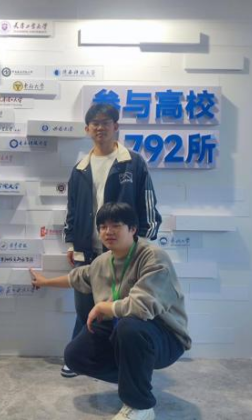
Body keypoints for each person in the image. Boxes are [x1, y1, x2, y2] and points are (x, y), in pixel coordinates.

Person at [31, 202, 190, 420]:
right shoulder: (102, 262)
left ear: (133, 229)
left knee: (129, 325)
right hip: (123, 331)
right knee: (75, 355)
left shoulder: (153, 257)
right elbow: (76, 278)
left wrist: (106, 307)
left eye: (116, 225)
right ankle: (135, 378)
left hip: (164, 335)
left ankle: (140, 406)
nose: (108, 231)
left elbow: (143, 306)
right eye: (103, 227)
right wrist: (45, 282)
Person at [61, 102, 162, 377]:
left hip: (124, 252)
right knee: (85, 307)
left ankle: (124, 359)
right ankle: (81, 355)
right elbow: (73, 210)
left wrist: (141, 245)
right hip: (88, 249)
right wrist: (72, 243)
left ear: (115, 126)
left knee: (125, 308)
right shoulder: (80, 169)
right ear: (87, 129)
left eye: (106, 122)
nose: (100, 127)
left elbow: (148, 206)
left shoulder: (133, 162)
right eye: (94, 123)